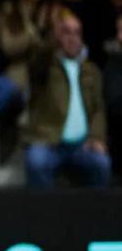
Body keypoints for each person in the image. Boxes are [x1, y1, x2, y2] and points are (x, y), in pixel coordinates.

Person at [25, 11, 111, 188]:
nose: (72, 37)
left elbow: (98, 108)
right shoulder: (46, 65)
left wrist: (96, 137)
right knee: (36, 162)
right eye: (66, 32)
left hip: (82, 144)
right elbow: (37, 60)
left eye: (76, 32)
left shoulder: (91, 70)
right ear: (57, 36)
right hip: (48, 141)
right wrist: (51, 37)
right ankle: (43, 214)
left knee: (101, 164)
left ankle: (93, 214)